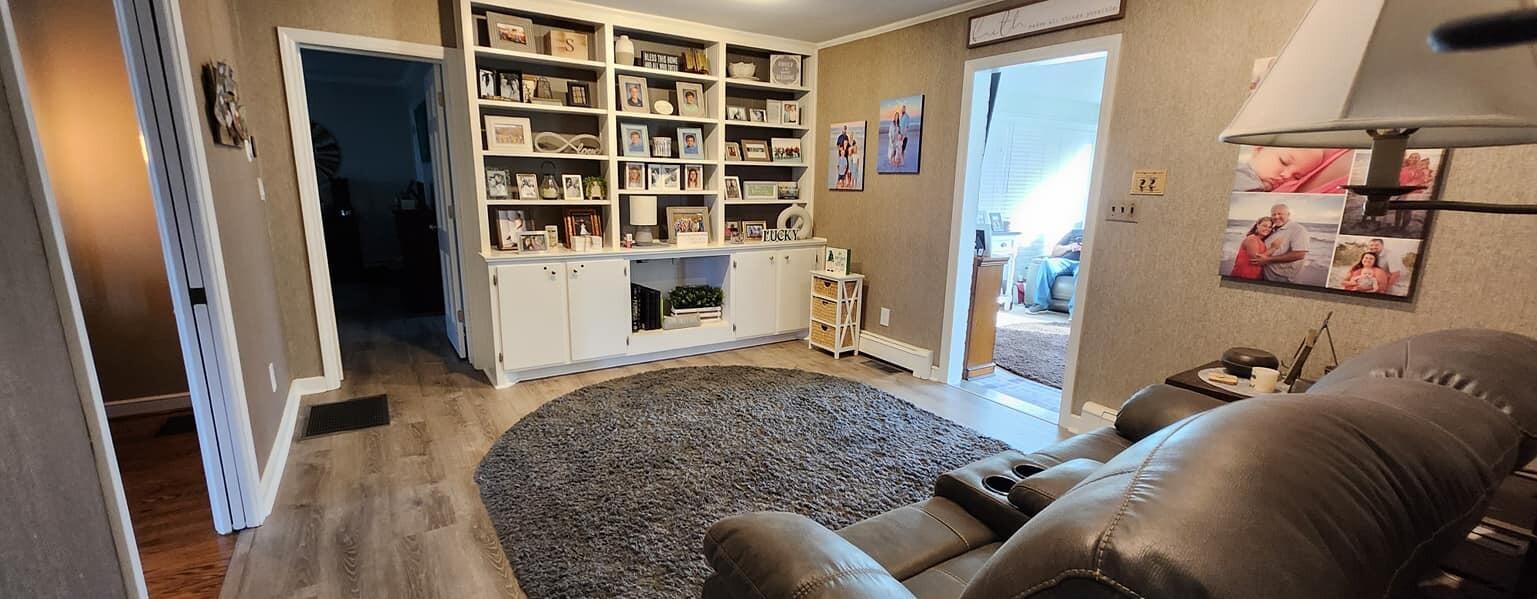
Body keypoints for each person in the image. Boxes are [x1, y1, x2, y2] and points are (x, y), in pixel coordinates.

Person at [1233, 147, 1352, 194]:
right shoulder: (1240, 173)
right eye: (1284, 161)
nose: (1286, 176)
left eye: (1296, 177)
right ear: (1259, 148)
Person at [1026, 227, 1084, 314]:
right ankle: (1041, 304)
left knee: (1082, 271)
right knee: (1046, 263)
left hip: (1083, 263)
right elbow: (1054, 252)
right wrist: (1070, 247)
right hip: (1065, 261)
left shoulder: (1097, 234)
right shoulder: (1074, 232)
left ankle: (1075, 312)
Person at [1250, 203, 1310, 283]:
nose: (1276, 217)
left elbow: (1300, 254)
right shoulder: (1272, 229)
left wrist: (1268, 260)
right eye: (1273, 214)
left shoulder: (1298, 229)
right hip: (1268, 276)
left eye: (1280, 214)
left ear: (1288, 215)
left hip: (1284, 279)